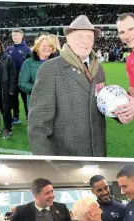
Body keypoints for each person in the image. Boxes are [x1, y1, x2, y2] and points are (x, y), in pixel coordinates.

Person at [28, 15, 110, 157]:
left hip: (98, 152)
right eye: (79, 36)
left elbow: (102, 102)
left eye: (90, 37)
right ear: (68, 38)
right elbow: (38, 127)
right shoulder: (49, 69)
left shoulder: (98, 68)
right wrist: (47, 164)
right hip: (66, 154)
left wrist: (118, 112)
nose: (85, 41)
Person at [19, 35, 58, 110]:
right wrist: (39, 90)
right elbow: (22, 83)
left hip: (54, 103)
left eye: (49, 46)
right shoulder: (28, 63)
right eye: (44, 45)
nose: (47, 48)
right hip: (36, 103)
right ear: (37, 47)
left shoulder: (56, 63)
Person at [5, 29, 31, 123]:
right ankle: (16, 117)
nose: (14, 37)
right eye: (13, 35)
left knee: (26, 100)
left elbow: (30, 65)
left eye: (16, 35)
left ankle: (29, 117)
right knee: (14, 100)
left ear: (21, 36)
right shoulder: (8, 50)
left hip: (24, 80)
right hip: (12, 81)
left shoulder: (27, 50)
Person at [115, 13, 134, 124]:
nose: (127, 35)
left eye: (131, 29)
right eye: (122, 32)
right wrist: (126, 111)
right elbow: (132, 89)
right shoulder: (130, 60)